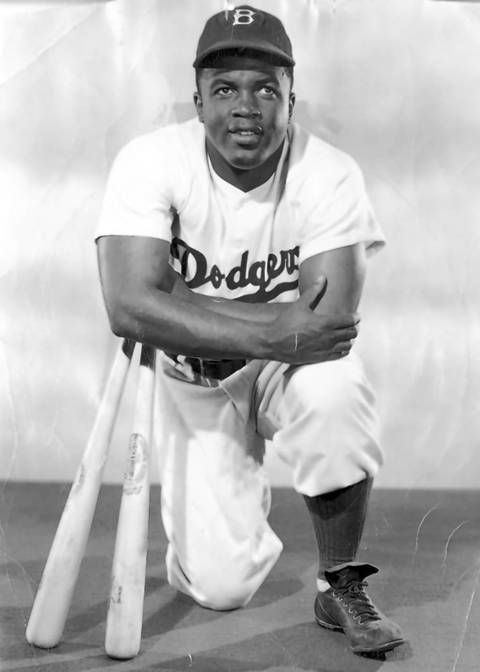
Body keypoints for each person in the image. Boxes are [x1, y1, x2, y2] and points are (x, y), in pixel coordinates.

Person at [95, 5, 405, 656]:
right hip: (190, 379)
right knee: (221, 586)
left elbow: (327, 328)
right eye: (226, 88)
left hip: (281, 371)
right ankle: (233, 493)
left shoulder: (330, 173)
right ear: (198, 99)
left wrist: (180, 301)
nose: (246, 107)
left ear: (293, 98)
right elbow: (127, 306)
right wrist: (273, 329)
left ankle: (340, 580)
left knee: (335, 390)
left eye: (267, 89)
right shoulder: (151, 161)